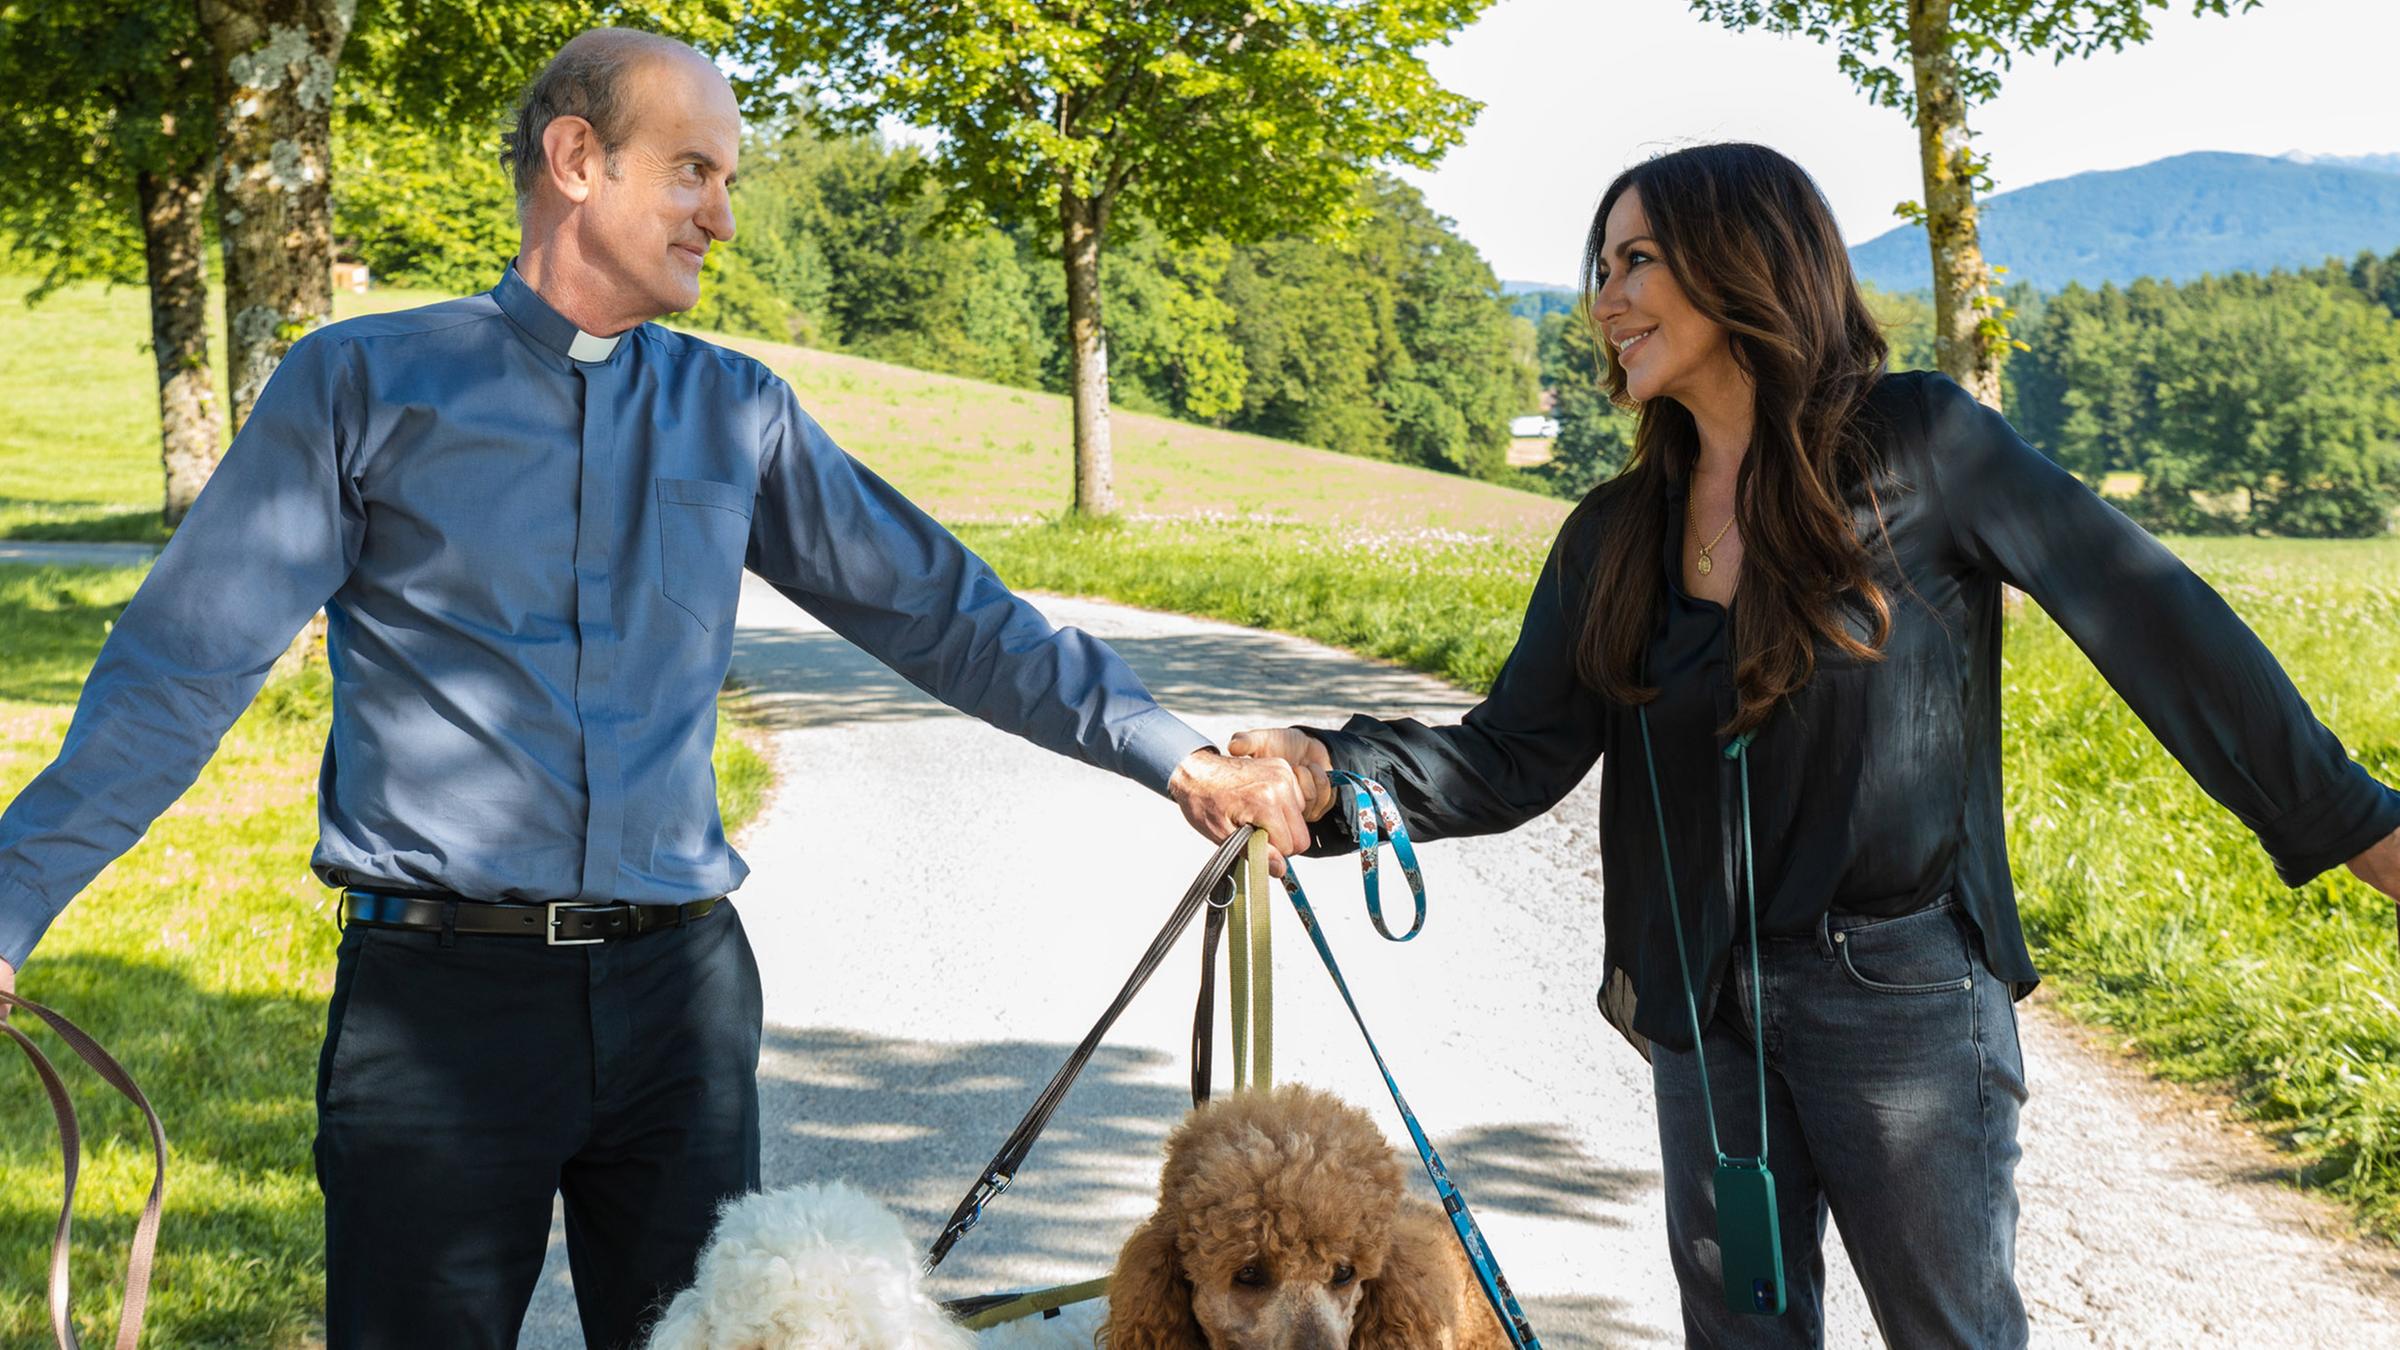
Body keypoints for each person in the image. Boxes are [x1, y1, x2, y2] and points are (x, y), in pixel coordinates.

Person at [0, 28, 1310, 1349]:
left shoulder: (738, 411)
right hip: (440, 1014)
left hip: (682, 1009)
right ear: (577, 159)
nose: (721, 219)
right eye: (694, 172)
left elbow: (948, 613)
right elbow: (180, 669)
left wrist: (1175, 755)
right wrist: (9, 906)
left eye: (726, 180)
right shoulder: (360, 386)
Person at [1221, 142, 2400, 1347]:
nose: (1606, 300)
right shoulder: (1615, 534)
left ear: (1743, 263)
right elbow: (1510, 753)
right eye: (1600, 268)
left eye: (1637, 261)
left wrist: (2353, 821)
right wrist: (1323, 776)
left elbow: (2155, 620)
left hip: (1901, 998)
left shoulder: (1923, 445)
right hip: (1703, 1011)